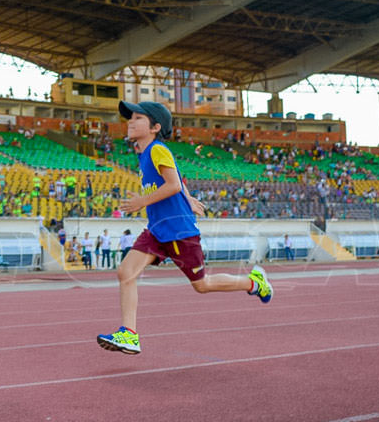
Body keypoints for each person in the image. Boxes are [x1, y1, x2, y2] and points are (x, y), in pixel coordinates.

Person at [97, 101, 272, 355]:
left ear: (155, 127)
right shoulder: (145, 153)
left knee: (201, 285)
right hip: (157, 229)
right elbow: (177, 180)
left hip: (179, 231)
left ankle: (254, 283)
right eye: (130, 118)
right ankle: (129, 334)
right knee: (126, 272)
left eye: (138, 118)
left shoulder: (158, 150)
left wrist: (141, 201)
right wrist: (188, 198)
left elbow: (173, 185)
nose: (130, 122)